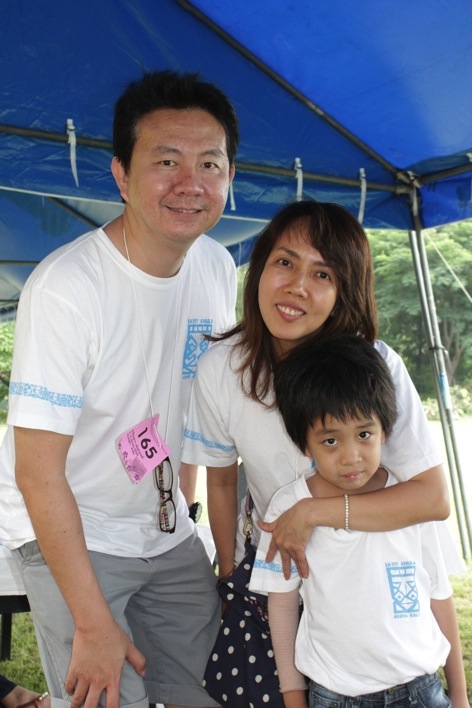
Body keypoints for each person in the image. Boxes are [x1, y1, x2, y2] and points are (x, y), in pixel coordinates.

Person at [0, 70, 239, 708]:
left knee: (218, 691)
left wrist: (183, 512)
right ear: (122, 176)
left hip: (163, 527)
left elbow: (192, 411)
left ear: (229, 177)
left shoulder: (217, 267)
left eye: (210, 164)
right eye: (166, 161)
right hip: (69, 527)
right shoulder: (67, 289)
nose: (190, 183)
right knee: (107, 695)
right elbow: (37, 472)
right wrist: (91, 622)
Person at [182, 199, 457, 583]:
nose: (297, 287)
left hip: (364, 580)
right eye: (285, 262)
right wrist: (229, 576)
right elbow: (223, 481)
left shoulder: (374, 364)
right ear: (259, 267)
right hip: (272, 572)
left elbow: (433, 498)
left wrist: (312, 512)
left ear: (344, 291)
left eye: (323, 274)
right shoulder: (222, 367)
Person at [250, 333, 469, 708]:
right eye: (330, 441)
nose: (351, 457)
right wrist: (294, 698)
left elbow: (438, 593)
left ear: (385, 431)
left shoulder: (410, 502)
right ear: (304, 443)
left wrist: (460, 696)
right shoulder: (288, 508)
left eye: (364, 434)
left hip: (422, 691)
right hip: (337, 697)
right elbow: (282, 607)